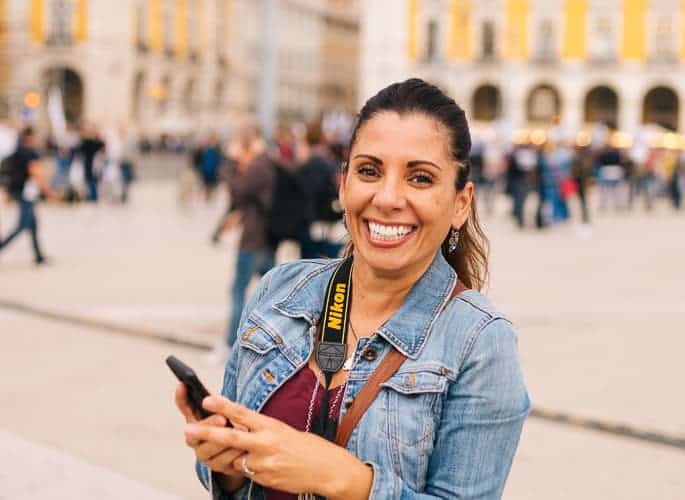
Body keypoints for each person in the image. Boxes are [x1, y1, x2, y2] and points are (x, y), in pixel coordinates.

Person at [176, 79, 529, 500]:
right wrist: (227, 462)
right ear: (343, 185)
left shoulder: (479, 340)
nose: (387, 197)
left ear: (460, 203)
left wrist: (346, 480)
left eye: (419, 178)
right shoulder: (281, 291)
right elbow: (227, 480)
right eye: (369, 171)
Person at [210, 127, 276, 363]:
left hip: (253, 240)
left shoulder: (259, 166)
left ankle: (229, 345)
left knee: (239, 291)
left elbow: (237, 191)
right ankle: (271, 341)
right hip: (264, 238)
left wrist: (229, 163)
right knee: (271, 293)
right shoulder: (267, 163)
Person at [0, 127, 54, 264]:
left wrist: (8, 193)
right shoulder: (29, 153)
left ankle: (38, 255)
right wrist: (48, 191)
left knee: (33, 224)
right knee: (22, 225)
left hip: (18, 191)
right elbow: (35, 172)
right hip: (26, 193)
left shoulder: (17, 152)